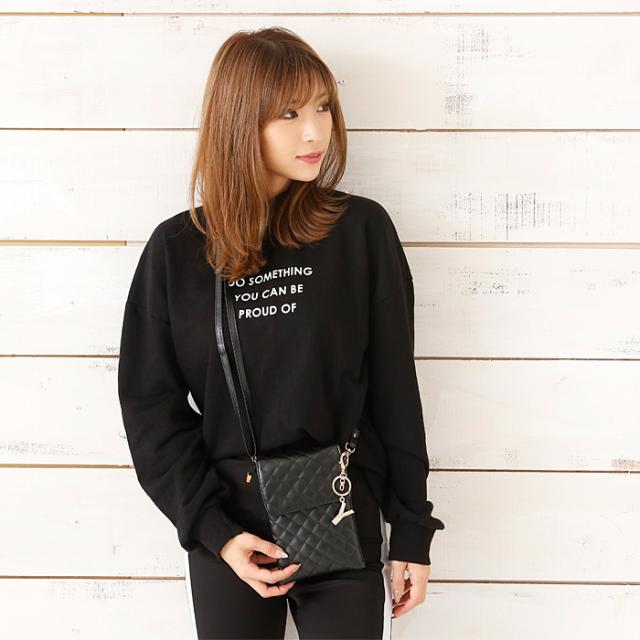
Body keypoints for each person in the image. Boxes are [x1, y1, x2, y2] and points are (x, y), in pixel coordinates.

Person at [117, 25, 445, 640]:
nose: (315, 132)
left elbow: (395, 390)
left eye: (322, 107)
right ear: (239, 121)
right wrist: (215, 531)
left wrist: (411, 530)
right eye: (289, 114)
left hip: (341, 511)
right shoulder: (177, 251)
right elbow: (150, 407)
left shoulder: (359, 232)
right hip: (228, 527)